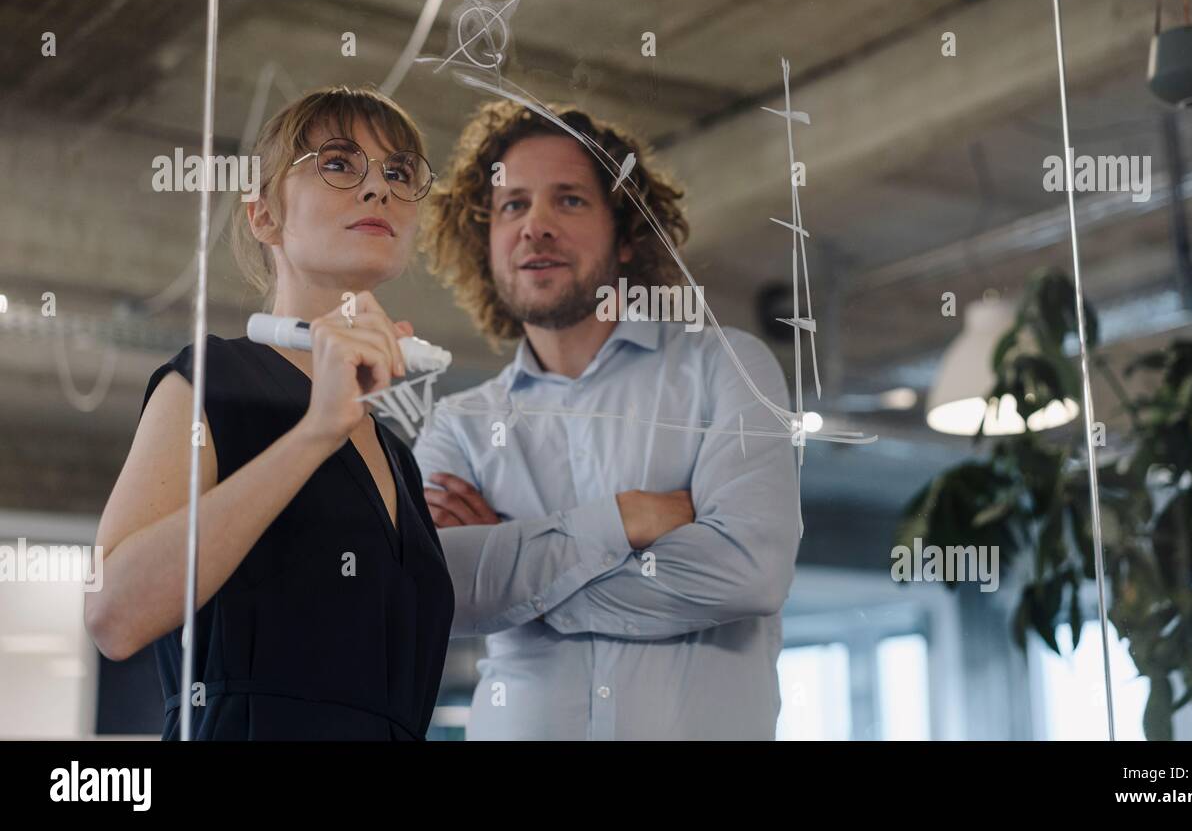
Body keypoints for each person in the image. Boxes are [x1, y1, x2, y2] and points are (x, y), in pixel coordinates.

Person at [414, 100, 800, 740]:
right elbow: (435, 595)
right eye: (513, 205)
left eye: (568, 200)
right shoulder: (460, 424)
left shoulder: (724, 367)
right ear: (486, 242)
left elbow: (747, 574)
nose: (535, 225)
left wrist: (517, 566)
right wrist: (623, 519)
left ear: (625, 233)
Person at [85, 86, 455, 740]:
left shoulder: (397, 454)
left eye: (399, 172)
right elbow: (113, 613)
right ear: (264, 216)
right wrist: (315, 433)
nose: (379, 190)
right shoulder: (215, 381)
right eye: (339, 163)